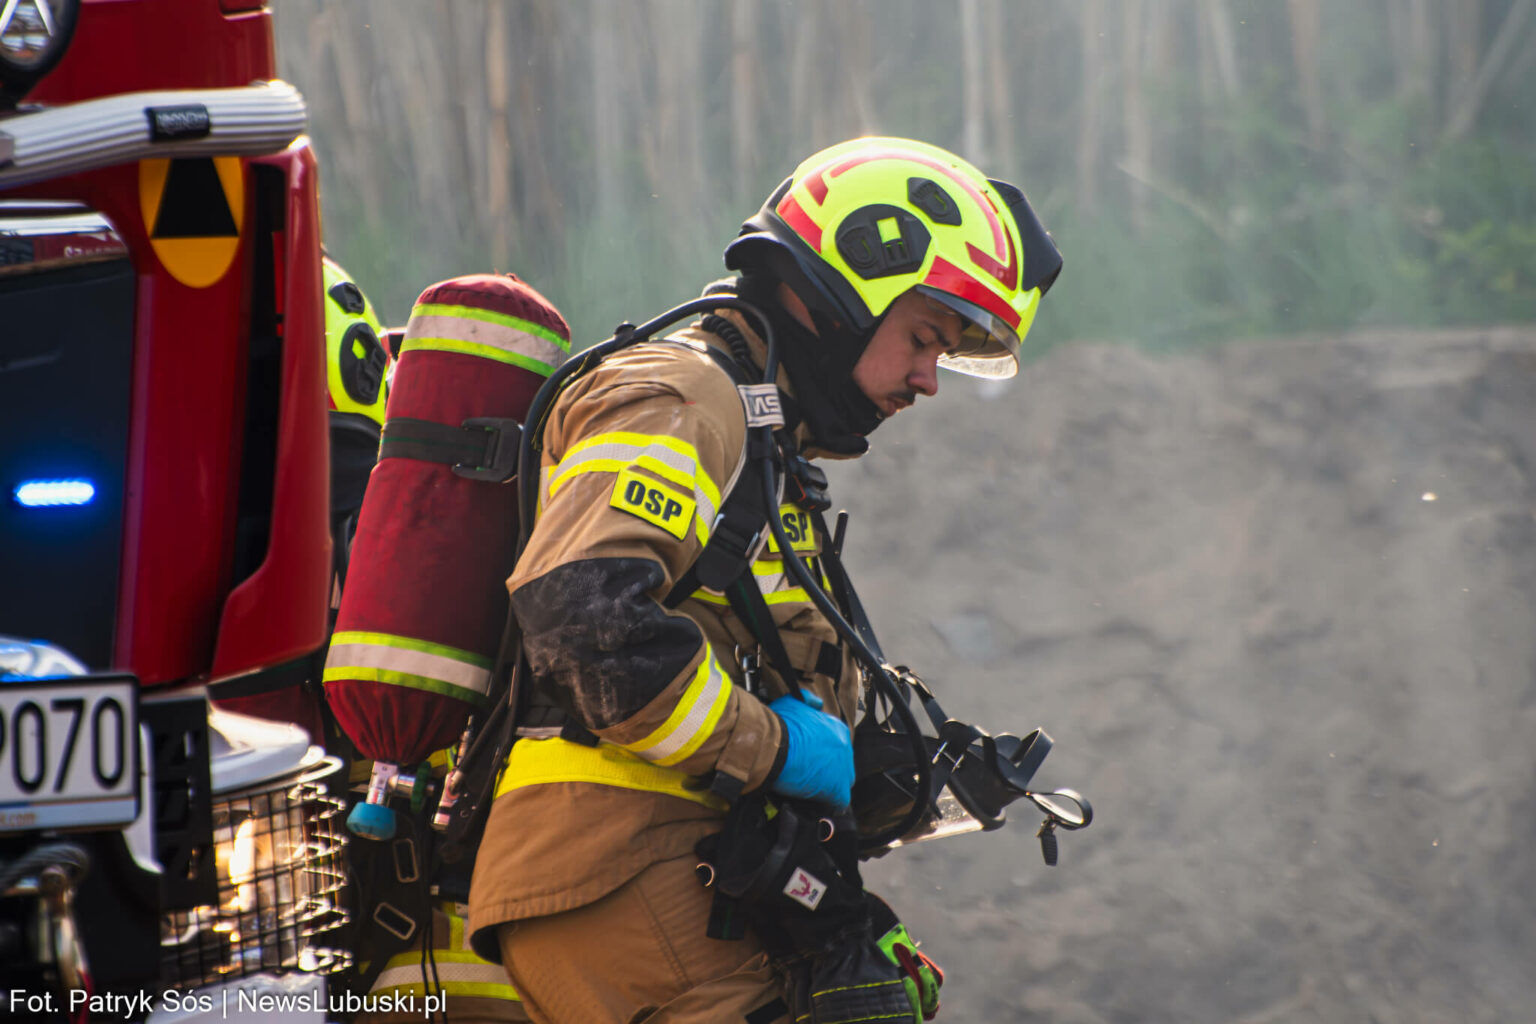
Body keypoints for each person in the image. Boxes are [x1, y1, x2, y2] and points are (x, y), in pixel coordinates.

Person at [466, 136, 1062, 1024]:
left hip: (685, 868)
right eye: (924, 338)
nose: (930, 379)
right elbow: (590, 627)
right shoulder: (684, 396)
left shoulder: (768, 451)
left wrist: (875, 774)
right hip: (622, 865)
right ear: (850, 286)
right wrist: (782, 751)